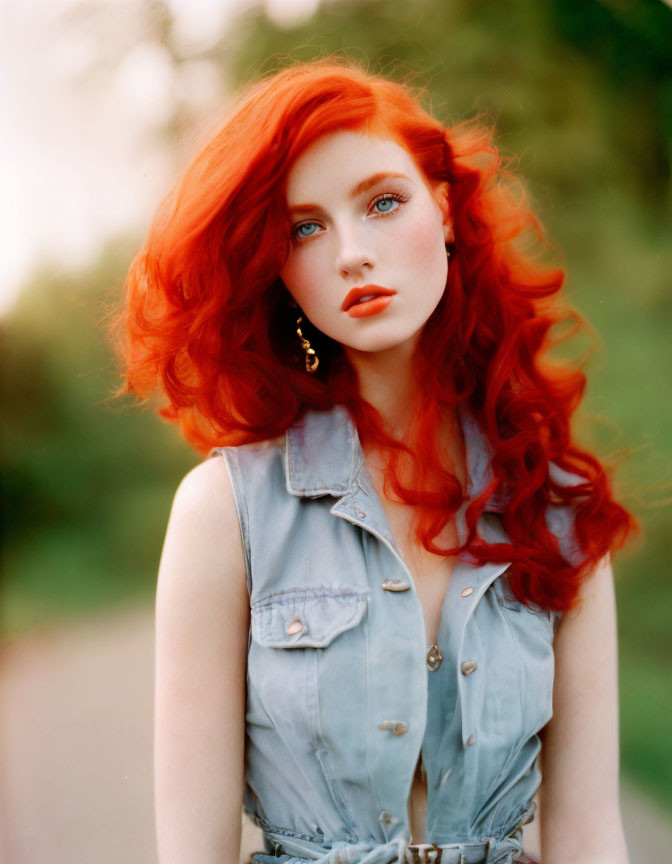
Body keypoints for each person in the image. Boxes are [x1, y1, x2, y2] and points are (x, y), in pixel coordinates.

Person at [112, 57, 637, 864]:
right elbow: (192, 851)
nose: (352, 253)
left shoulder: (556, 508)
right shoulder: (228, 510)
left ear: (447, 209)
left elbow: (591, 834)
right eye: (305, 228)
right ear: (276, 270)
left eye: (383, 203)